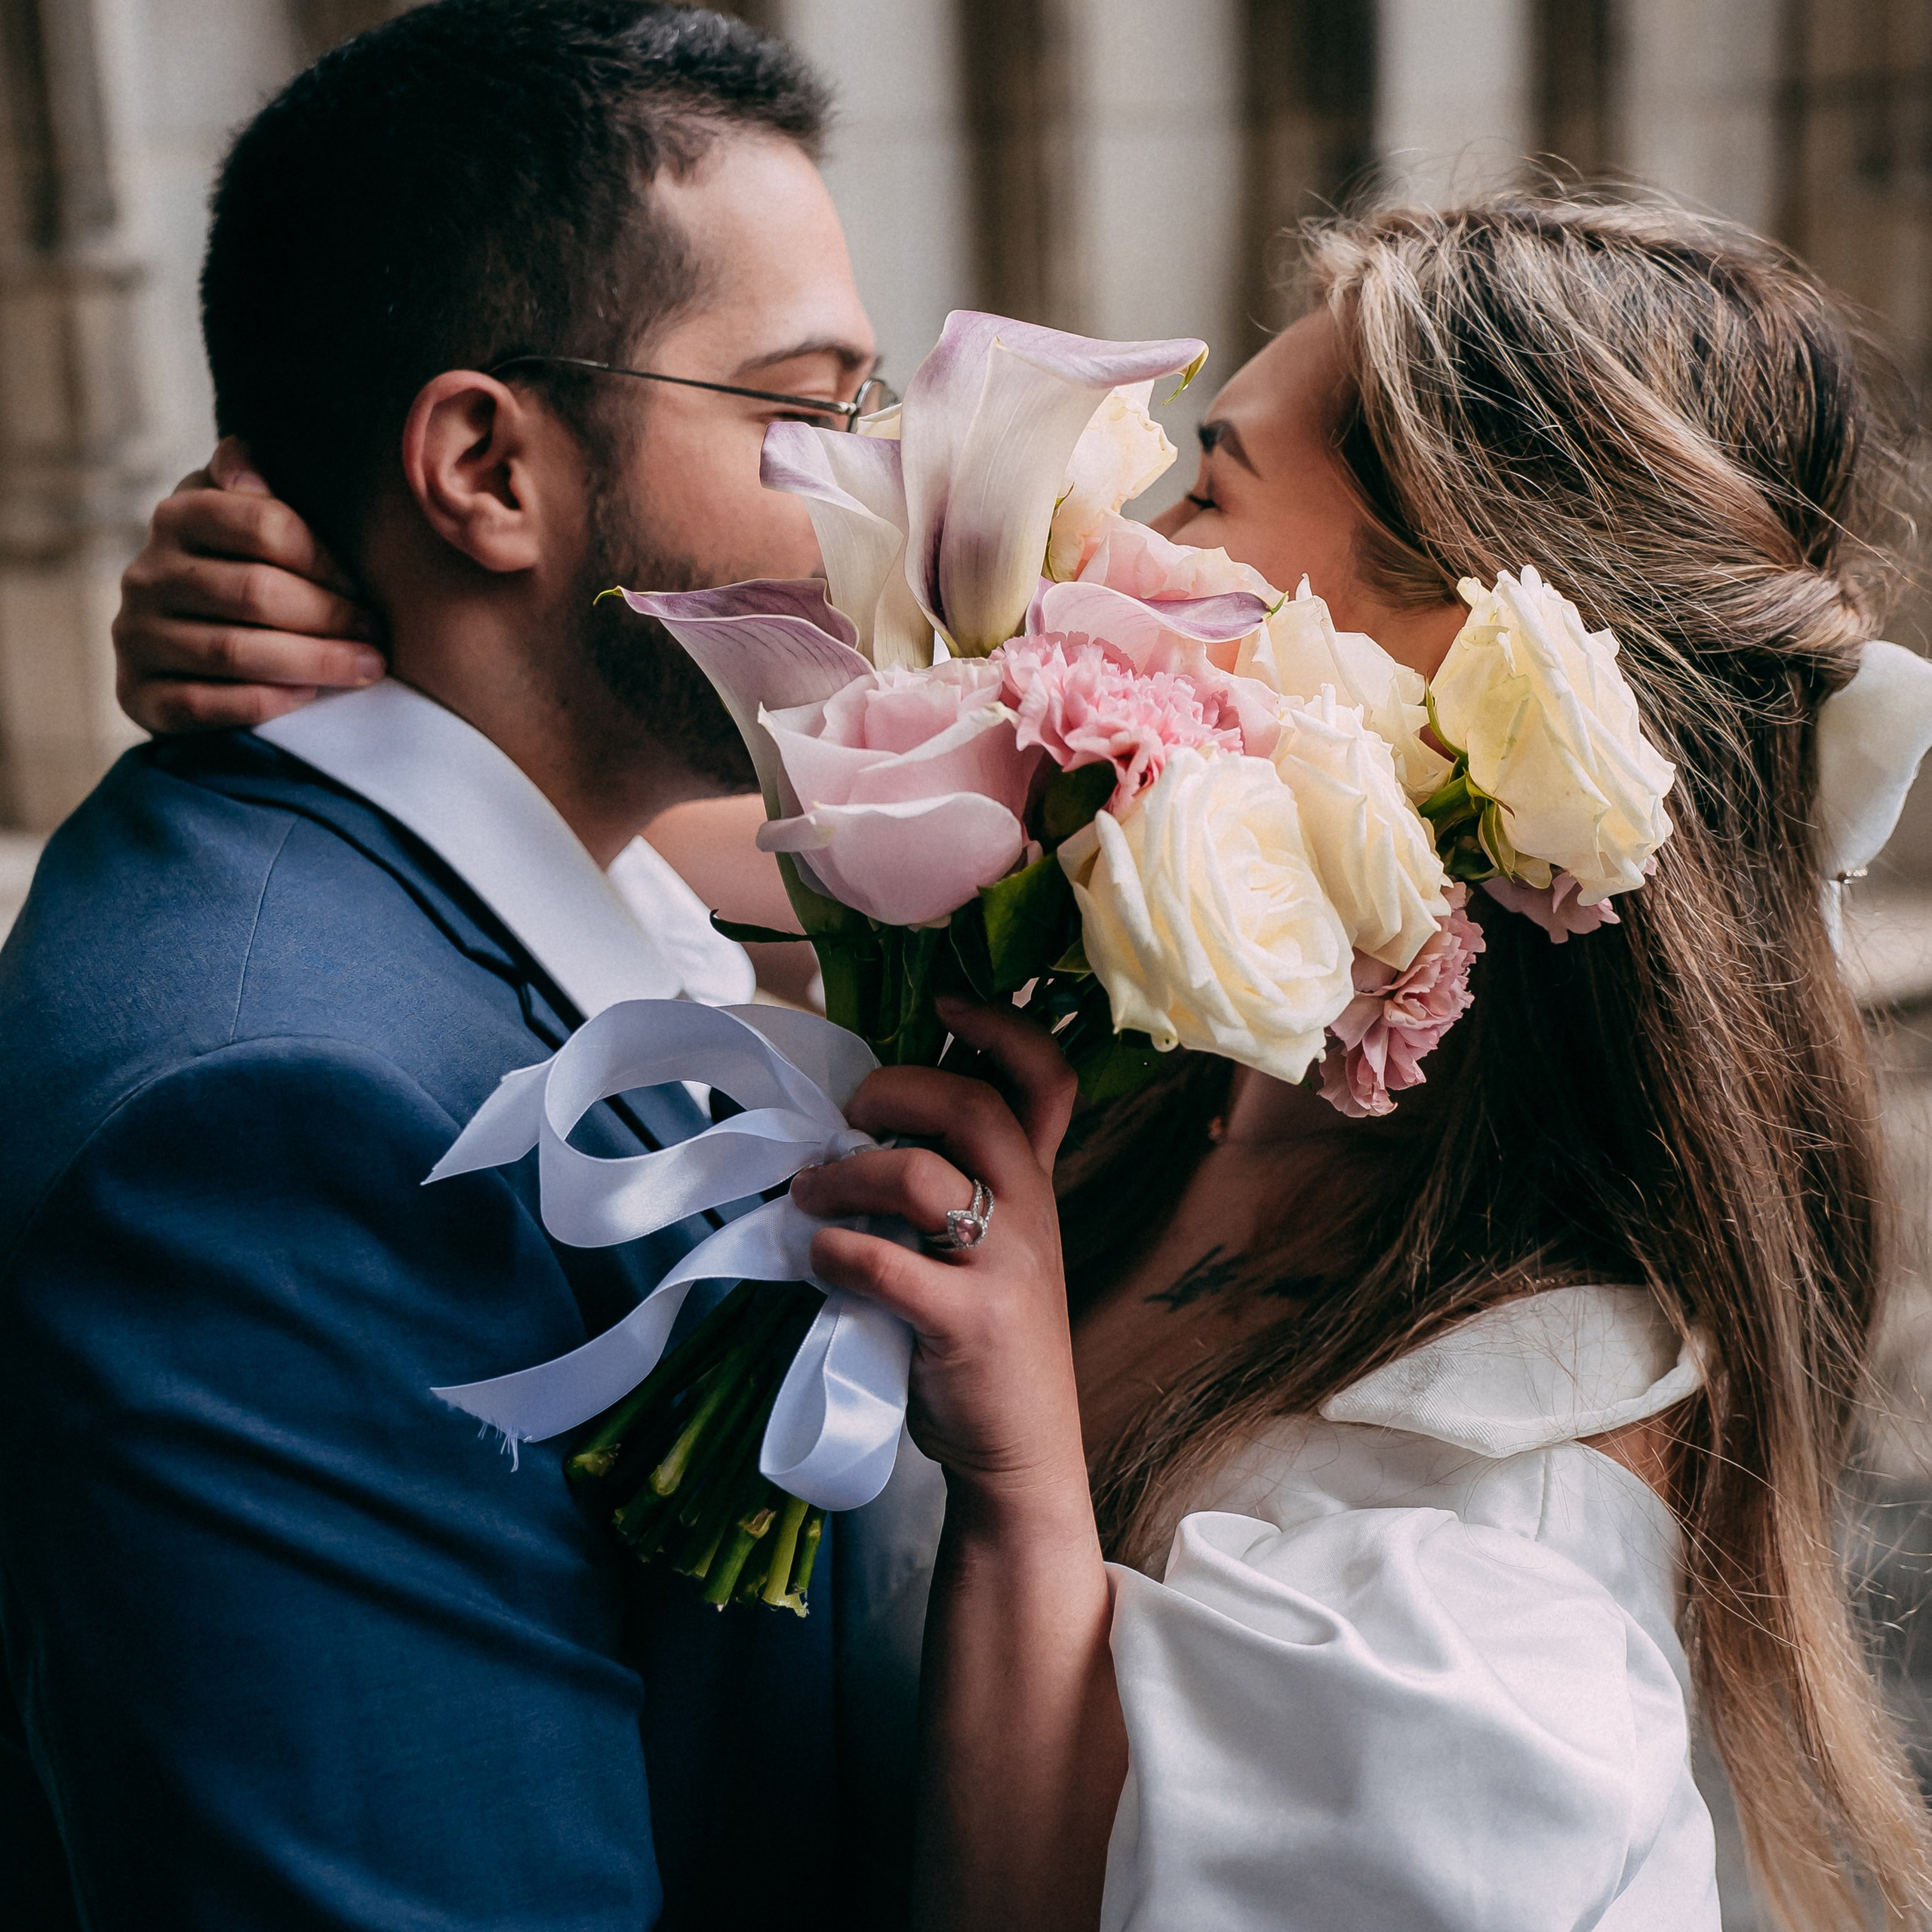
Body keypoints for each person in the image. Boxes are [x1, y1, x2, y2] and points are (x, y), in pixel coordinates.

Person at [123, 189, 1932, 1929]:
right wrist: (348, 621)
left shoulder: (1472, 1606)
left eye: (1204, 492)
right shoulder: (1167, 1054)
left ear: (1446, 674)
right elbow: (632, 824)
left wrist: (1020, 1493)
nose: (1104, 546)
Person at [0, 5, 906, 1928]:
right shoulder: (271, 1133)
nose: (877, 498)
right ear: (487, 465)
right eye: (803, 416)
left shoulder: (525, 869)